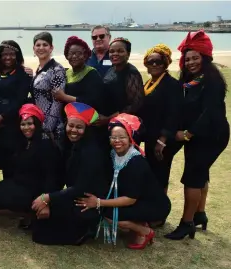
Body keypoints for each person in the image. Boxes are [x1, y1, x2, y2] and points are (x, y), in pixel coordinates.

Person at [165, 30, 230, 240]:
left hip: (210, 135)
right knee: (201, 173)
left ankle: (187, 223)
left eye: (196, 58)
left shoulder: (212, 81)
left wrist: (187, 134)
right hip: (200, 135)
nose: (191, 62)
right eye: (188, 58)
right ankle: (200, 213)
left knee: (192, 178)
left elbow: (208, 114)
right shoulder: (191, 80)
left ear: (205, 57)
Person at [77, 113, 171, 250]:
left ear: (130, 138)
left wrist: (98, 202)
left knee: (108, 214)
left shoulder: (136, 162)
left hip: (155, 205)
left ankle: (145, 231)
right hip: (140, 199)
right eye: (114, 137)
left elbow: (130, 199)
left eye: (122, 137)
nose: (117, 141)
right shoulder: (113, 154)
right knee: (107, 210)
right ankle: (139, 222)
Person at [31, 102, 108, 246]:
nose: (74, 130)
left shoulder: (92, 152)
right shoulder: (68, 145)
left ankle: (87, 228)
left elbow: (81, 187)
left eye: (79, 127)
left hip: (87, 203)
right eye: (71, 126)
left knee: (42, 235)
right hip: (73, 197)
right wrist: (46, 199)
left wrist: (48, 197)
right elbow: (57, 176)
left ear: (87, 129)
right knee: (38, 225)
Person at [0, 104, 60, 229]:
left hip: (36, 190)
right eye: (23, 124)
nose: (26, 128)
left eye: (30, 124)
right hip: (19, 184)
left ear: (37, 124)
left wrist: (45, 201)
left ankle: (31, 214)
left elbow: (52, 176)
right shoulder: (22, 143)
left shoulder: (46, 145)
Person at [137, 44, 183, 201]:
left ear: (166, 64)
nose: (155, 65)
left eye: (159, 61)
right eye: (151, 62)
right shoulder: (148, 83)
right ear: (146, 65)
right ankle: (153, 207)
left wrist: (162, 140)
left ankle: (160, 212)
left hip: (162, 140)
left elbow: (174, 114)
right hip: (150, 137)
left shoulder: (172, 85)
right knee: (151, 173)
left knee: (161, 174)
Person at [0, 40, 32, 177]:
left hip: (12, 123)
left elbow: (20, 100)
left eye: (12, 54)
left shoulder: (23, 74)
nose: (8, 57)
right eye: (4, 54)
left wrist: (2, 117)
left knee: (11, 162)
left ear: (17, 55)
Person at [95, 38, 144, 132]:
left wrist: (108, 119)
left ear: (128, 54)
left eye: (120, 51)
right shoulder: (112, 69)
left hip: (123, 126)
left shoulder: (131, 73)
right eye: (111, 51)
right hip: (106, 123)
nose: (115, 54)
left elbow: (135, 104)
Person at [30, 32, 66, 145]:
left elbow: (58, 101)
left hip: (52, 128)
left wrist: (48, 128)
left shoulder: (57, 70)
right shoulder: (40, 69)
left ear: (51, 48)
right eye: (38, 45)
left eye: (45, 45)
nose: (41, 48)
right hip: (39, 122)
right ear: (33, 48)